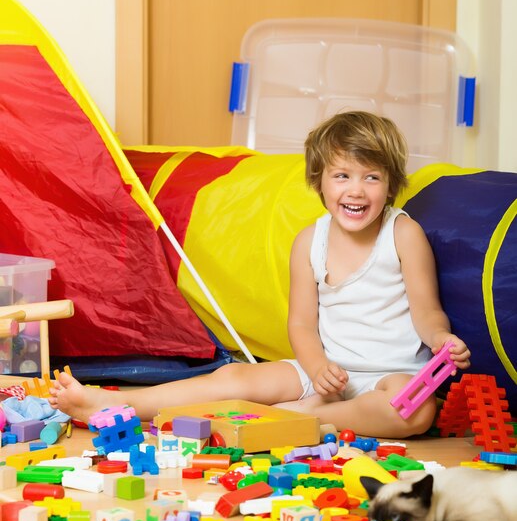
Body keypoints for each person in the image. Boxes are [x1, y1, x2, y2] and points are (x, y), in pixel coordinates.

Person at [49, 111, 470, 438]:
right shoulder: (309, 241)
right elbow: (301, 323)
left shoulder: (404, 233)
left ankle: (304, 420)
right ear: (319, 182)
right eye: (342, 176)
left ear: (391, 184)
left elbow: (426, 311)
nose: (356, 190)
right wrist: (317, 366)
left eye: (371, 178)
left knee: (414, 409)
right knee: (234, 376)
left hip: (387, 376)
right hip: (324, 369)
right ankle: (112, 403)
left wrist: (440, 340)